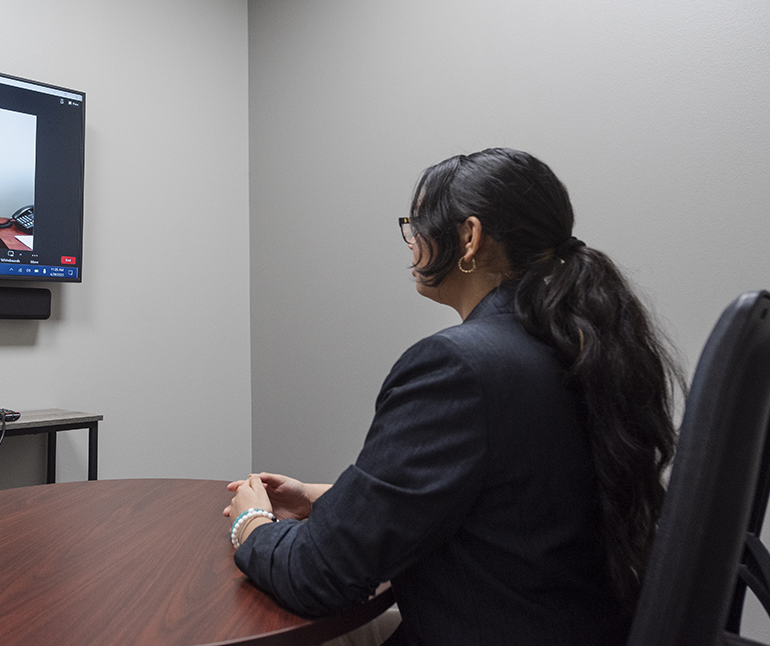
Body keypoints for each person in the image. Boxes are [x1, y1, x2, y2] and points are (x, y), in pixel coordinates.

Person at [225, 148, 682, 645]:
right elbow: (518, 506)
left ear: (469, 237)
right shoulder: (580, 348)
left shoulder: (459, 366)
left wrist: (252, 524)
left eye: (417, 224)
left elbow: (321, 576)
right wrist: (326, 498)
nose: (411, 243)